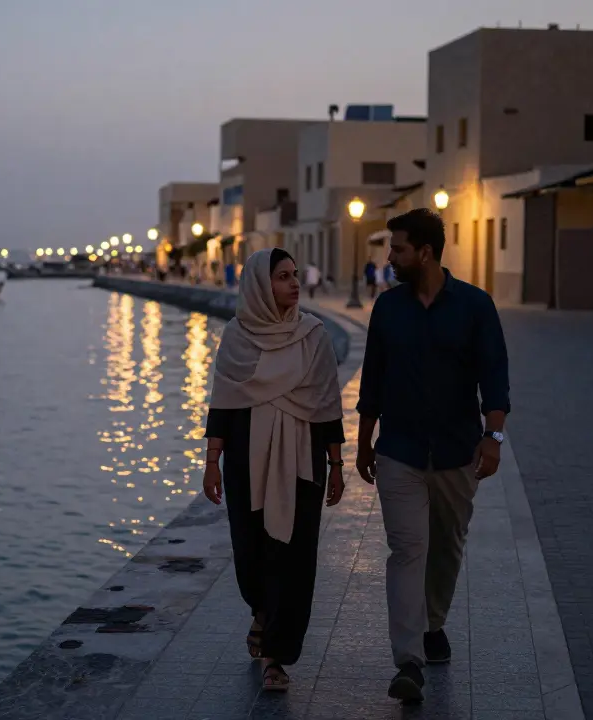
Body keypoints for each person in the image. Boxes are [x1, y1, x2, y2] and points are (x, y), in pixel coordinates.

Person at [354, 208, 510, 703]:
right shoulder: (387, 308)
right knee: (407, 550)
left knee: (446, 545)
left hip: (457, 451)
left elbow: (495, 377)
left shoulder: (476, 306)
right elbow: (372, 380)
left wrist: (493, 437)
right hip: (398, 451)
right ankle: (409, 662)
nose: (390, 258)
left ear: (424, 252)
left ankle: (433, 623)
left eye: (397, 249)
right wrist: (362, 441)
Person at [202, 248, 345, 692]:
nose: (294, 284)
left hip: (303, 460)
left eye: (295, 275)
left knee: (295, 558)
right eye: (283, 277)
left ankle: (276, 658)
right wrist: (211, 462)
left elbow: (326, 405)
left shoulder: (313, 335)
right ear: (261, 286)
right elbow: (222, 404)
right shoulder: (236, 336)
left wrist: (337, 465)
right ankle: (260, 612)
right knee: (250, 552)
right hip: (245, 461)